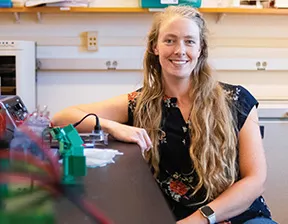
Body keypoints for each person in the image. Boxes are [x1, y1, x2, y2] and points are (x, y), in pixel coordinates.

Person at [52, 5, 277, 224]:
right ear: (154, 47)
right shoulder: (139, 103)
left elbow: (255, 180)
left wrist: (200, 219)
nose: (179, 50)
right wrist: (113, 126)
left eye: (189, 41)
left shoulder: (236, 99)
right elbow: (62, 118)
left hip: (240, 216)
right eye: (169, 40)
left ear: (200, 49)